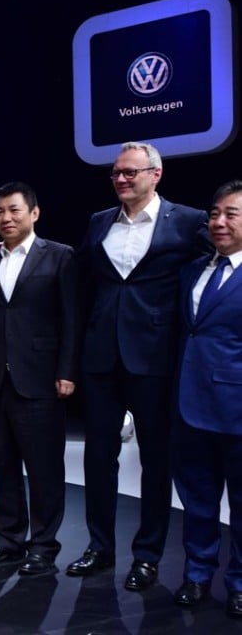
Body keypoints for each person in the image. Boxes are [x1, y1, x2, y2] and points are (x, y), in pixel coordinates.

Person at [68, 142, 211, 590]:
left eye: (130, 172)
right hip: (101, 355)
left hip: (154, 356)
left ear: (155, 174)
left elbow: (219, 264)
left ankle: (147, 555)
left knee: (155, 459)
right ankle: (99, 547)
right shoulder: (99, 221)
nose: (121, 179)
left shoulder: (187, 221)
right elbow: (75, 274)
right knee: (98, 457)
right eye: (116, 173)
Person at [0, 181, 78, 576]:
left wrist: (67, 371)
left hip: (40, 380)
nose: (5, 218)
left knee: (44, 469)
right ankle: (7, 539)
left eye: (14, 210)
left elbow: (72, 320)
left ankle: (43, 546)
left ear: (34, 213)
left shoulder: (60, 256)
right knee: (3, 465)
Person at [170, 180, 242, 614]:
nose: (219, 222)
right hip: (188, 405)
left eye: (231, 214)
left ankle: (239, 584)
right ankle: (197, 575)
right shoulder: (193, 270)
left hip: (237, 410)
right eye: (214, 214)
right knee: (197, 501)